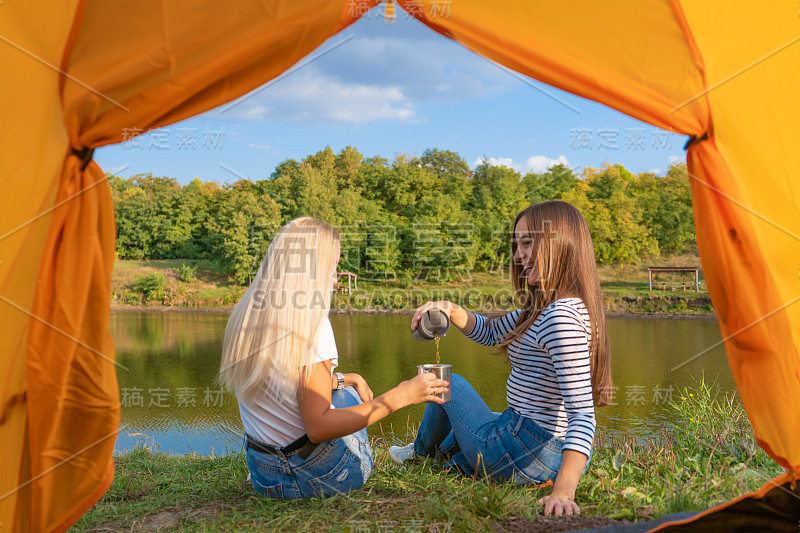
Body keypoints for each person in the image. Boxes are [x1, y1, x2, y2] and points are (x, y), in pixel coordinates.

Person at [390, 201, 612, 516]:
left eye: (527, 243)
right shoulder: (545, 308)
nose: (517, 255)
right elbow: (492, 332)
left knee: (446, 381)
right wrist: (451, 309)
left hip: (526, 449)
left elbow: (583, 414)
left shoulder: (560, 317)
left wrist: (564, 491)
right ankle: (461, 464)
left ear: (560, 244)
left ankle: (419, 454)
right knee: (482, 421)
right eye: (516, 244)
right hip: (533, 444)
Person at [219, 217, 449, 499]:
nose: (336, 278)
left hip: (263, 474)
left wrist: (346, 378)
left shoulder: (249, 315)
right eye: (333, 268)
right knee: (347, 399)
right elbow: (318, 428)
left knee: (344, 389)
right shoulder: (311, 325)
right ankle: (420, 452)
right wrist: (401, 395)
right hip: (314, 479)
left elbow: (287, 386)